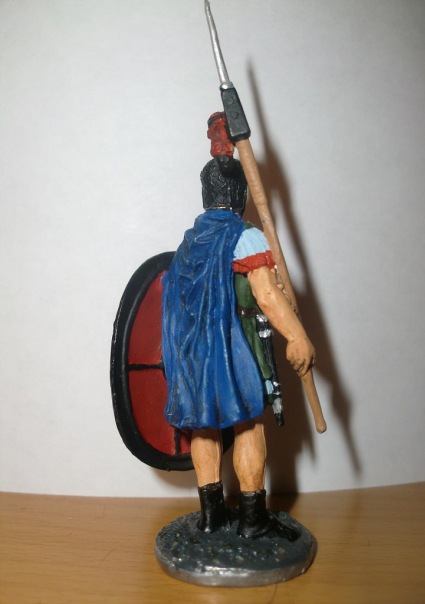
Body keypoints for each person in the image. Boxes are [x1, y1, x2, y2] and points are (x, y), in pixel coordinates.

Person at [161, 114, 315, 540]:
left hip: (192, 356)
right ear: (241, 194)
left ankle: (212, 515)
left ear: (206, 193)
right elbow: (266, 295)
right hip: (235, 352)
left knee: (204, 428)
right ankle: (252, 519)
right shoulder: (244, 236)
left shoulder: (188, 243)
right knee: (249, 425)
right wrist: (297, 336)